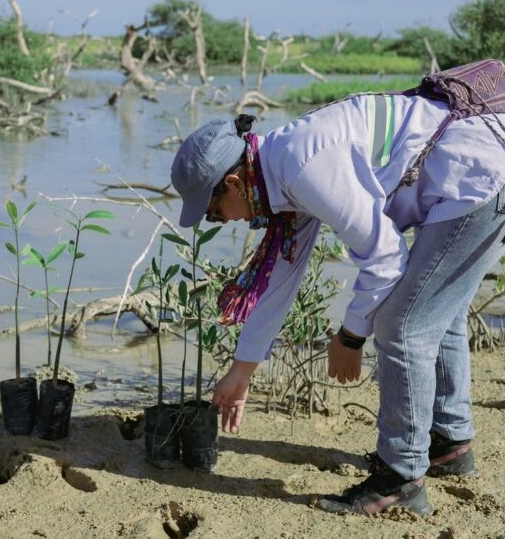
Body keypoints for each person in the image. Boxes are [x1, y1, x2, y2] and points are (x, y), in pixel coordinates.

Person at [170, 88, 505, 515]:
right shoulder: (278, 167)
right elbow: (281, 279)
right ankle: (449, 445)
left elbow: (385, 257)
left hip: (479, 175)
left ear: (234, 183)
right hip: (480, 163)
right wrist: (242, 372)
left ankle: (399, 479)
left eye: (215, 213)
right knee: (438, 307)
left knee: (402, 327)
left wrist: (350, 337)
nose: (224, 221)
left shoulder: (303, 168)